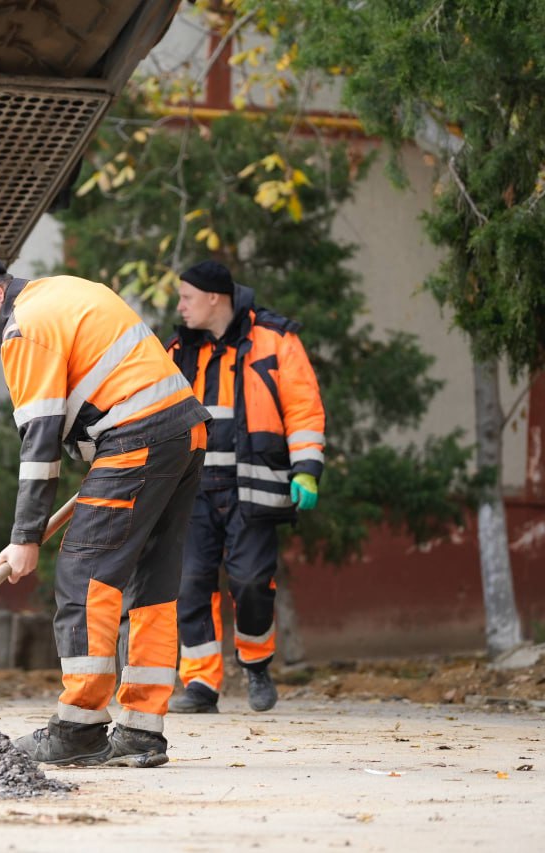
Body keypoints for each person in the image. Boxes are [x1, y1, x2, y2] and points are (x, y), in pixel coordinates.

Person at [0, 250, 209, 767]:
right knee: (151, 586)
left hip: (137, 437)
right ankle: (141, 733)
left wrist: (25, 539)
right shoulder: (61, 291)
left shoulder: (24, 329)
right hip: (183, 432)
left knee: (84, 576)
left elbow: (38, 445)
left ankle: (80, 728)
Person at [165, 260, 325, 714]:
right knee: (191, 584)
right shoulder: (178, 350)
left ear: (214, 298)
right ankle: (200, 685)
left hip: (252, 487)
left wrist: (307, 468)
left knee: (253, 581)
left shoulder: (276, 339)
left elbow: (304, 407)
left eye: (187, 297)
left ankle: (256, 665)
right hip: (192, 490)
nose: (181, 307)